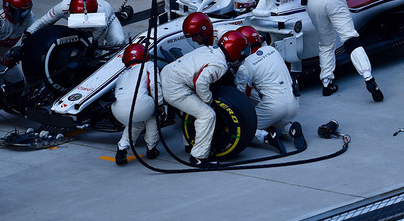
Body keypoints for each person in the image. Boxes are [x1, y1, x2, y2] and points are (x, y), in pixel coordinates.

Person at [161, 30, 249, 166]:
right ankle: (198, 157)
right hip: (175, 87)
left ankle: (189, 144)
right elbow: (201, 82)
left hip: (168, 74)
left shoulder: (210, 49)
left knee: (194, 108)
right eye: (241, 50)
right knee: (207, 115)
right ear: (235, 49)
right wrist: (209, 101)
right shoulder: (220, 64)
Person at [234, 26, 304, 153]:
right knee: (273, 118)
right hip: (294, 104)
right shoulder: (272, 50)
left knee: (243, 129)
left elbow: (241, 98)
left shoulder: (246, 65)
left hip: (274, 107)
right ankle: (291, 129)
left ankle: (267, 137)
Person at [111, 43, 163, 166]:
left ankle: (122, 149)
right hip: (140, 104)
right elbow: (155, 85)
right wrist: (160, 104)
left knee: (134, 123)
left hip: (117, 110)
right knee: (153, 115)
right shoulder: (148, 65)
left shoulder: (122, 74)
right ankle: (151, 148)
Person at [24, 0, 125, 46]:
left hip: (105, 21)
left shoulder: (101, 15)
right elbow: (44, 21)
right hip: (80, 26)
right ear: (70, 9)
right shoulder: (62, 7)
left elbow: (98, 42)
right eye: (79, 17)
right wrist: (29, 32)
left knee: (118, 42)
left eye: (85, 19)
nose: (83, 21)